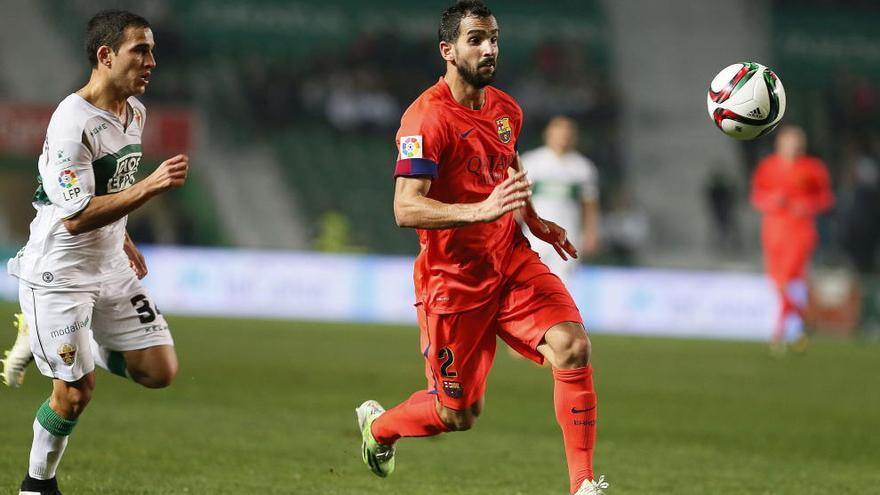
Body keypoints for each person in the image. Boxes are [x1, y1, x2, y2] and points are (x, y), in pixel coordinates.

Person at [355, 2, 607, 494]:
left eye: (493, 38)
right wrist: (478, 211)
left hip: (510, 258)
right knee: (458, 414)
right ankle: (379, 428)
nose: (489, 48)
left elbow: (507, 166)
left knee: (573, 347)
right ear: (448, 50)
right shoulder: (424, 120)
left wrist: (533, 220)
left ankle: (582, 485)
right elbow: (405, 208)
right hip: (453, 280)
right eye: (476, 39)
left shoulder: (506, 109)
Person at [0, 10, 188, 494]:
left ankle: (59, 339)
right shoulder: (71, 122)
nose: (151, 61)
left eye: (152, 50)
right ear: (105, 56)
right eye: (139, 51)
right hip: (59, 273)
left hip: (109, 266)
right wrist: (149, 187)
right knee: (75, 393)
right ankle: (35, 485)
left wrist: (123, 236)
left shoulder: (135, 112)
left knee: (160, 370)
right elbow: (76, 214)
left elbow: (108, 187)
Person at [751, 125, 833, 354]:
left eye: (797, 142)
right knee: (777, 284)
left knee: (787, 281)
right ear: (780, 144)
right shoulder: (768, 166)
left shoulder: (813, 168)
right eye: (788, 142)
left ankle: (778, 335)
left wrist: (805, 206)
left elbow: (825, 198)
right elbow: (757, 196)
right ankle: (800, 325)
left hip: (800, 232)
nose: (792, 147)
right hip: (773, 231)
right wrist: (771, 201)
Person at [521, 116, 601, 283]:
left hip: (568, 236)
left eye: (568, 132)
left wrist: (591, 233)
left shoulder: (583, 168)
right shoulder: (533, 162)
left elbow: (589, 205)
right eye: (559, 132)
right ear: (548, 134)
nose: (563, 136)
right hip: (535, 236)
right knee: (531, 281)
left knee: (562, 285)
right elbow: (518, 199)